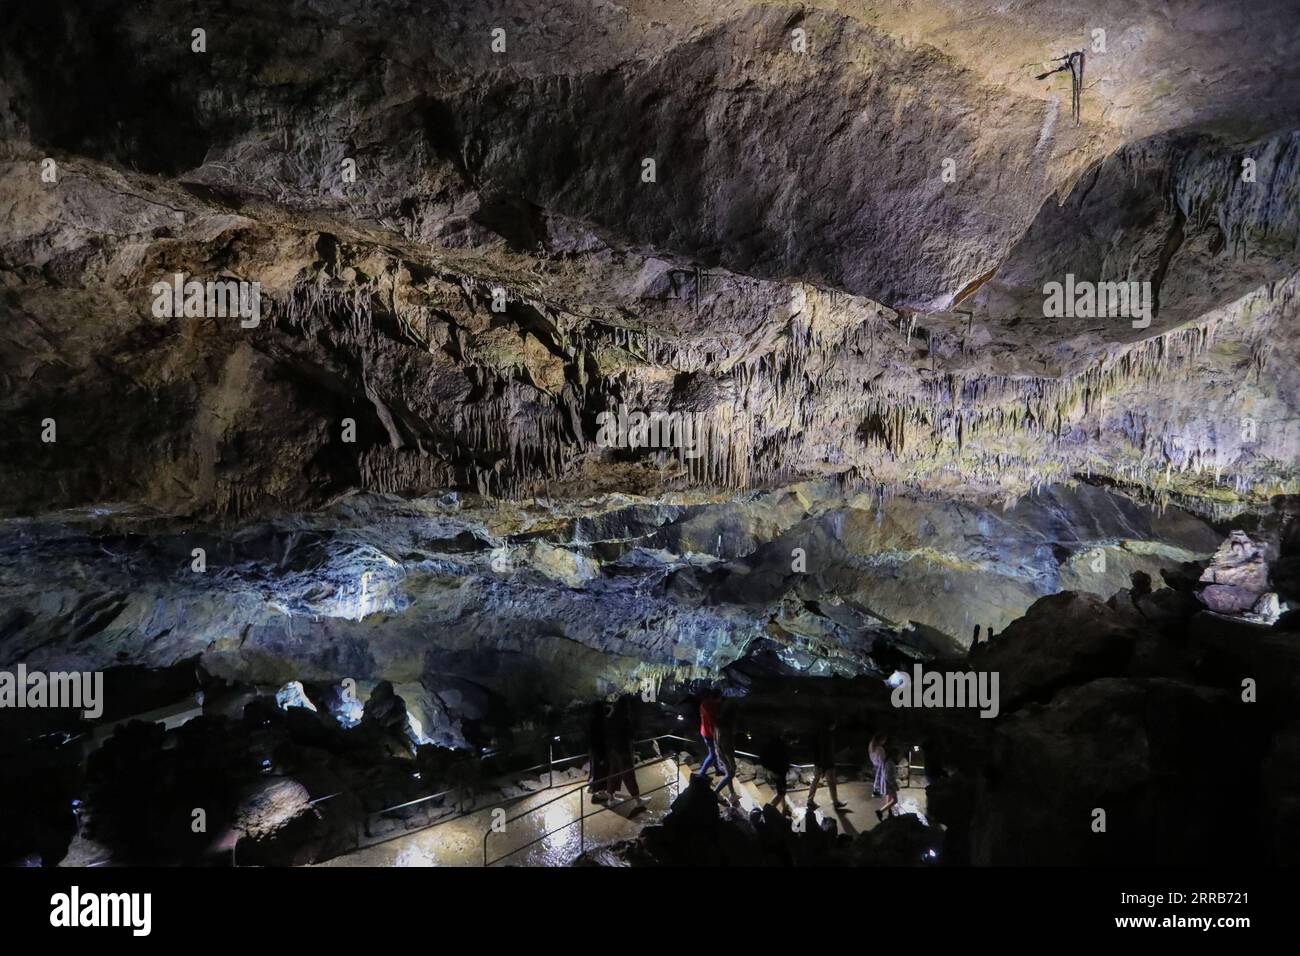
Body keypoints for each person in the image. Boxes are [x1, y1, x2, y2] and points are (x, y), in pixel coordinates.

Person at [604, 695, 645, 811]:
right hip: (623, 750)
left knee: (614, 772)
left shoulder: (611, 717)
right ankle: (638, 800)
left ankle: (611, 798)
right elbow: (631, 734)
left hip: (613, 749)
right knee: (629, 774)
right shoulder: (624, 718)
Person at [807, 720, 847, 811]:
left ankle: (810, 801)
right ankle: (835, 802)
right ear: (831, 725)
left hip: (820, 763)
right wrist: (824, 768)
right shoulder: (827, 736)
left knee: (816, 780)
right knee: (831, 782)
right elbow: (825, 752)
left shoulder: (819, 734)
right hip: (827, 764)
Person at [712, 697, 740, 807]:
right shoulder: (726, 728)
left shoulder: (718, 722)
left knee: (728, 773)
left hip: (718, 750)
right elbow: (727, 746)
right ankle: (715, 792)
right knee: (731, 773)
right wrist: (732, 763)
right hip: (724, 753)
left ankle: (732, 793)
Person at [758, 731, 792, 815]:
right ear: (787, 739)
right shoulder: (781, 747)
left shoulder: (773, 741)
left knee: (781, 790)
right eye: (791, 742)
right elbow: (783, 761)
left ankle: (784, 808)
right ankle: (767, 812)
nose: (791, 744)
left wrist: (768, 769)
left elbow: (762, 756)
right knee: (781, 793)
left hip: (772, 771)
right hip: (778, 773)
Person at [869, 732, 899, 822]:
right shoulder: (881, 752)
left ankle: (889, 812)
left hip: (882, 775)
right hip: (887, 780)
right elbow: (890, 777)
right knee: (895, 800)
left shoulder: (872, 746)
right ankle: (880, 811)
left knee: (888, 795)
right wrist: (895, 785)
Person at [586, 699, 610, 802]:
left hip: (593, 749)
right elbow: (601, 738)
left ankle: (593, 787)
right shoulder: (600, 721)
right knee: (601, 771)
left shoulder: (592, 719)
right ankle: (600, 792)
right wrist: (602, 755)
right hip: (600, 749)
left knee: (594, 770)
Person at [696, 687, 723, 779]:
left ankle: (718, 770)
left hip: (704, 731)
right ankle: (702, 772)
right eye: (720, 698)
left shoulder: (703, 704)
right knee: (713, 754)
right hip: (710, 734)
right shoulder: (713, 707)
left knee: (713, 752)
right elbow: (714, 722)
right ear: (717, 697)